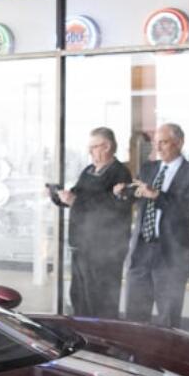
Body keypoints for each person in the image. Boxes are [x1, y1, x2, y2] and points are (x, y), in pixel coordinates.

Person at [117, 123, 189, 328]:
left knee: (168, 320)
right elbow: (138, 196)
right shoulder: (148, 169)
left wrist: (158, 195)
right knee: (134, 319)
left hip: (170, 256)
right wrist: (123, 193)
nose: (158, 148)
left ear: (179, 143)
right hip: (141, 252)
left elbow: (187, 211)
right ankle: (135, 359)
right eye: (156, 143)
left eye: (164, 142)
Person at [49, 127, 132, 318]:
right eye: (90, 147)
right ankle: (83, 336)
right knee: (79, 296)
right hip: (81, 245)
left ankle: (103, 340)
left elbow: (112, 207)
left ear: (107, 146)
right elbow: (76, 196)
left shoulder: (120, 173)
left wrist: (75, 201)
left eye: (94, 147)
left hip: (105, 249)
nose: (90, 152)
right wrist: (58, 195)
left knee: (100, 299)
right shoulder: (89, 170)